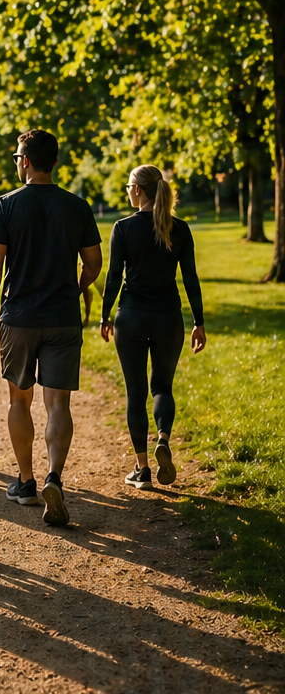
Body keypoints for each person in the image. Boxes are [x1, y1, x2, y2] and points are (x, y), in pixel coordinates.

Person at [0, 130, 103, 525]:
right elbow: (94, 263)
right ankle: (55, 475)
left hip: (20, 316)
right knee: (58, 404)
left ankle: (27, 481)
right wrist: (75, 289)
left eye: (18, 158)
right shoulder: (77, 206)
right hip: (63, 317)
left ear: (26, 161)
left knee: (20, 401)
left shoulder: (6, 206)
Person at [100, 165, 206, 490]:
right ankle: (163, 437)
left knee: (135, 393)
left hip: (130, 316)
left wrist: (104, 317)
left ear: (139, 191)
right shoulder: (180, 229)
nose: (128, 190)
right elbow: (190, 278)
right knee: (162, 387)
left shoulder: (123, 227)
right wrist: (199, 322)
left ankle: (142, 470)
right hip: (168, 318)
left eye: (130, 185)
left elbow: (114, 276)